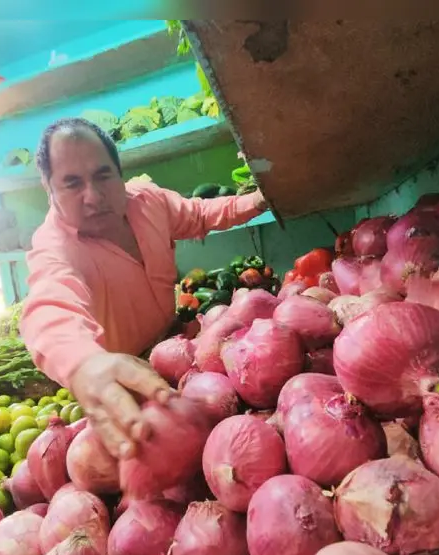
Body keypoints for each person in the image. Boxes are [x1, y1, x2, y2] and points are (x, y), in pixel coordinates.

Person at [19, 118, 268, 459]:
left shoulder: (149, 202)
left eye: (103, 175)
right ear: (49, 188)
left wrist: (256, 201)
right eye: (72, 184)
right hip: (125, 387)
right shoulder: (55, 246)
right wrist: (84, 365)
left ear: (119, 172)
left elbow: (198, 214)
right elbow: (49, 309)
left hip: (176, 352)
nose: (93, 196)